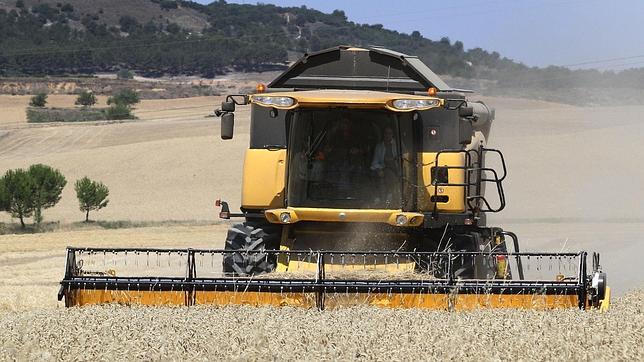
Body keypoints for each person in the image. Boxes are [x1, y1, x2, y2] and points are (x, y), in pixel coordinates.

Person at [371, 126, 400, 205]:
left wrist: (394, 159)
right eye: (386, 133)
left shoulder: (398, 145)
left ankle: (391, 197)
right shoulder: (379, 146)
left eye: (389, 133)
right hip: (385, 169)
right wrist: (379, 169)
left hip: (398, 169)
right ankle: (385, 199)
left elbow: (404, 157)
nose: (387, 135)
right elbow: (374, 163)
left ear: (392, 135)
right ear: (383, 134)